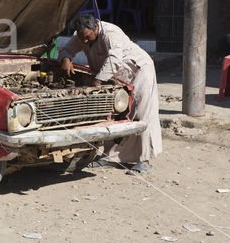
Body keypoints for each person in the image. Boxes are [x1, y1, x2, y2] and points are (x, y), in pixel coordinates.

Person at [57, 14, 162, 174]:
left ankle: (145, 160)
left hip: (139, 72)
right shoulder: (81, 35)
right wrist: (65, 58)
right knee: (115, 114)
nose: (84, 41)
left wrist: (97, 83)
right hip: (114, 77)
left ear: (96, 28)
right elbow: (68, 49)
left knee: (141, 113)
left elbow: (114, 60)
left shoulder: (111, 33)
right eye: (81, 38)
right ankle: (111, 158)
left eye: (87, 37)